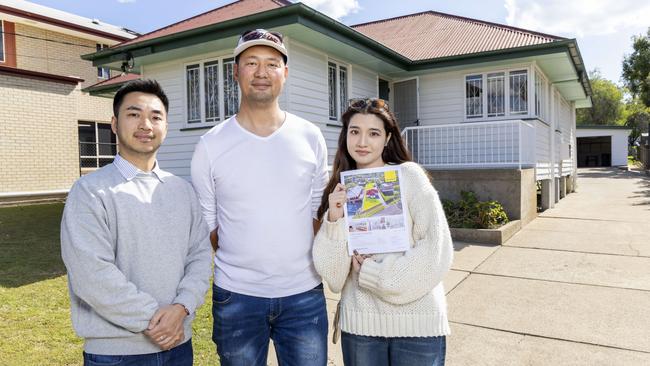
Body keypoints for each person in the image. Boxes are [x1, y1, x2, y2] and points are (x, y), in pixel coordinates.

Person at [190, 29, 329, 365]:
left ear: (285, 72)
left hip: (303, 294)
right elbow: (208, 221)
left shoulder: (310, 137)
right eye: (251, 62)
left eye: (272, 63)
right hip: (236, 297)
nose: (262, 72)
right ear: (235, 72)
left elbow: (317, 210)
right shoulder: (211, 145)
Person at [61, 79, 212, 365]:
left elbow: (200, 258)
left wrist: (182, 307)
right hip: (117, 354)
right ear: (114, 124)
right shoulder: (90, 191)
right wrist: (156, 321)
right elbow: (91, 274)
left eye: (156, 117)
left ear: (165, 126)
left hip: (178, 346)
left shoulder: (183, 191)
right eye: (134, 114)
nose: (145, 124)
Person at [312, 98, 454, 366]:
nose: (362, 142)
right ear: (345, 137)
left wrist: (373, 274)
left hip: (418, 327)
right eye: (355, 132)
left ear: (388, 138)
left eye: (373, 133)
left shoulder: (409, 176)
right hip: (361, 328)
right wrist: (334, 218)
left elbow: (437, 250)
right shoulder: (340, 190)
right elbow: (333, 276)